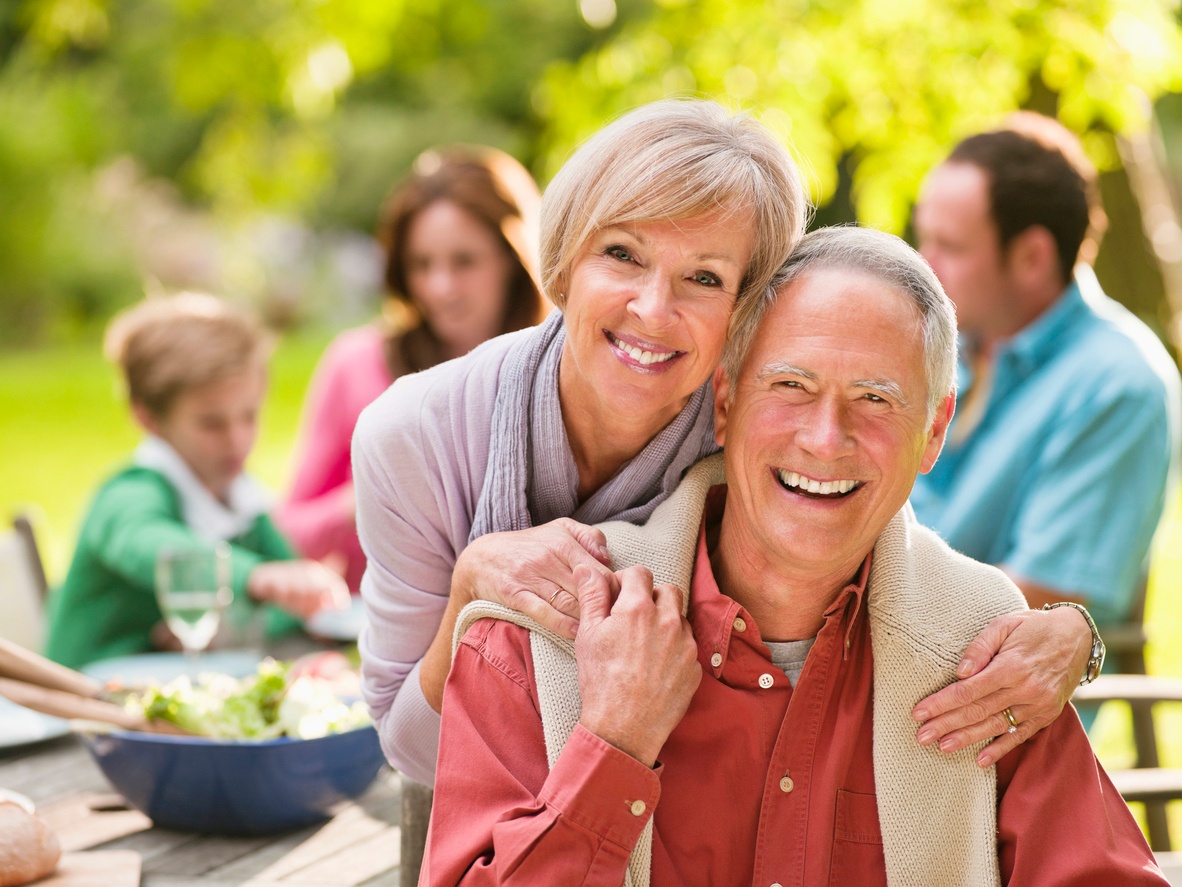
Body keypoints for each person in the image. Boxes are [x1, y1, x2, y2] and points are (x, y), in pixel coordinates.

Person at [354, 99, 1095, 788]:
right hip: (469, 803)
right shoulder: (414, 437)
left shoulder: (754, 430)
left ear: (747, 312)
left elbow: (882, 545)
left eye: (703, 276)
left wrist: (1069, 634)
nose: (652, 308)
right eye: (621, 253)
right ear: (564, 263)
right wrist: (471, 586)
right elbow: (409, 748)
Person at [424, 227, 1166, 886]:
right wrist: (612, 745)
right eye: (791, 385)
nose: (824, 437)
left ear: (933, 430)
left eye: (875, 399)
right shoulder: (539, 635)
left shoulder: (988, 656)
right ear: (725, 400)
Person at [911, 112, 1182, 629]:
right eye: (924, 239)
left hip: (982, 692)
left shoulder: (1118, 384)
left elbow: (1038, 597)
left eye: (950, 247)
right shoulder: (955, 346)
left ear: (1032, 257)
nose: (925, 264)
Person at [276, 146, 548, 594]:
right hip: (374, 631)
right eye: (422, 265)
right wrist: (367, 496)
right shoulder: (358, 364)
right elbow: (284, 535)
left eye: (465, 261)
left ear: (512, 260)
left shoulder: (553, 371)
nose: (441, 288)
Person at [45, 293, 348, 669]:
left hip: (178, 695)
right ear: (149, 418)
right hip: (89, 703)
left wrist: (236, 623)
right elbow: (153, 546)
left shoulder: (239, 498)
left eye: (249, 416)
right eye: (211, 423)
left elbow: (295, 605)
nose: (237, 439)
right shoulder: (130, 493)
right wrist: (255, 578)